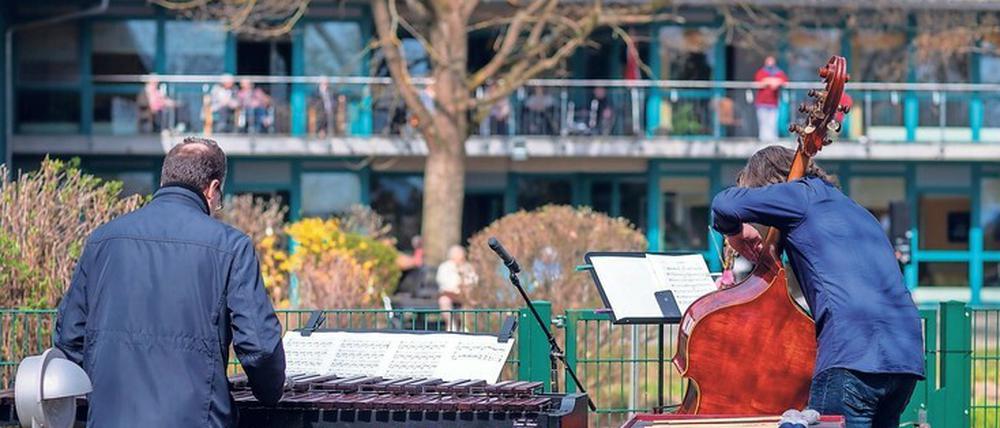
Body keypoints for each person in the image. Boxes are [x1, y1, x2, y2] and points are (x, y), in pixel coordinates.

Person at [54, 137, 286, 427]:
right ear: (213, 189)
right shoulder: (231, 246)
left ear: (165, 179)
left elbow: (69, 339)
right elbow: (260, 348)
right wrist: (270, 394)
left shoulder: (102, 240)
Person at [711, 145, 924, 428]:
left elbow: (724, 203)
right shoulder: (852, 208)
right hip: (904, 356)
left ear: (768, 187)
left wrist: (735, 233)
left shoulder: (798, 195)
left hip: (853, 356)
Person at [436, 245, 479, 331]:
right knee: (444, 301)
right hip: (449, 294)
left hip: (464, 294)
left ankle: (465, 327)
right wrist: (457, 285)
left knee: (469, 301)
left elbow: (474, 280)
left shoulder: (468, 267)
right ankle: (451, 325)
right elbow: (443, 282)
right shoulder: (445, 267)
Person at [753, 56, 787, 142]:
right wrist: (770, 81)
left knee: (772, 122)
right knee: (763, 122)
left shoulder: (779, 72)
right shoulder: (761, 72)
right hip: (762, 102)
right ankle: (763, 140)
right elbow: (759, 83)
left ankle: (772, 140)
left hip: (773, 102)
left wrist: (769, 81)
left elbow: (784, 82)